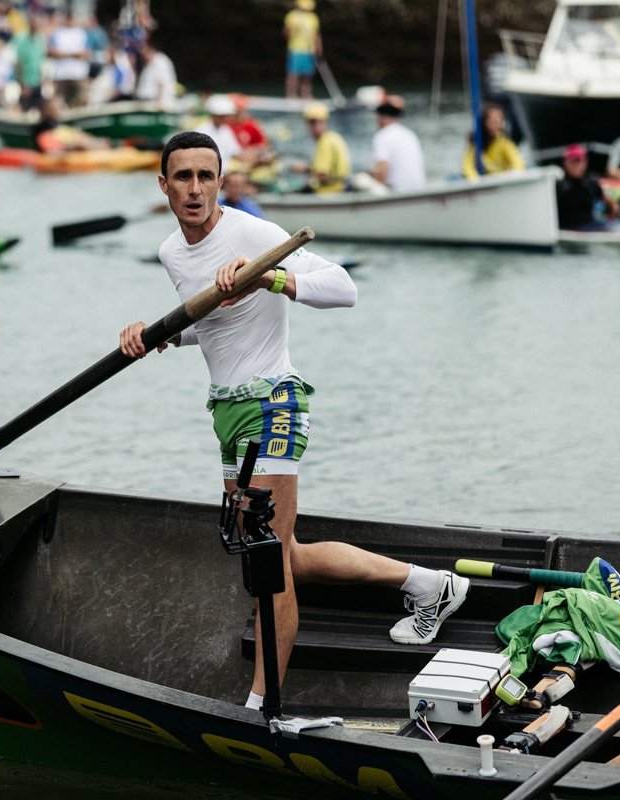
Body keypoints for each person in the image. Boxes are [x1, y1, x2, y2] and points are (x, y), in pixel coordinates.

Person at [118, 131, 469, 713]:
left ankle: (260, 707)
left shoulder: (254, 235)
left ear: (221, 182)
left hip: (274, 402)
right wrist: (159, 335)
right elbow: (212, 325)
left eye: (206, 176)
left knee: (268, 561)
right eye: (183, 177)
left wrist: (270, 278)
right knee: (281, 553)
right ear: (164, 185)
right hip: (226, 411)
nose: (195, 189)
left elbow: (343, 288)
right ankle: (429, 584)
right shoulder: (171, 253)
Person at [556, 144, 620, 230]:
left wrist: (614, 209)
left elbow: (609, 202)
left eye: (579, 162)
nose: (577, 166)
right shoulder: (558, 185)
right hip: (566, 227)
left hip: (589, 226)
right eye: (573, 162)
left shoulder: (591, 182)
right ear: (565, 163)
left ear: (585, 163)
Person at [369, 96, 425, 192]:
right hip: (418, 189)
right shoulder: (410, 134)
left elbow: (382, 171)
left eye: (377, 117)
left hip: (397, 191)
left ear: (382, 117)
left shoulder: (382, 136)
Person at [293, 102, 351, 193]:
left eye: (319, 122)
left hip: (330, 192)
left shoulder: (324, 142)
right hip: (341, 189)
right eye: (312, 122)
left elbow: (322, 175)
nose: (316, 126)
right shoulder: (336, 137)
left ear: (326, 122)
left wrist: (304, 170)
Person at [461, 103, 524, 180]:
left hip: (502, 180)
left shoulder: (505, 142)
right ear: (483, 122)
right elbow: (467, 167)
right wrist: (475, 180)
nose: (495, 126)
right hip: (483, 182)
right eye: (491, 122)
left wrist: (517, 174)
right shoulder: (476, 143)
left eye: (498, 122)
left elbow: (517, 162)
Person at [48, 11, 91, 108]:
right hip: (61, 74)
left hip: (78, 74)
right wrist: (74, 54)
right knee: (58, 102)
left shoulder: (82, 33)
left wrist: (64, 54)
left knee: (83, 100)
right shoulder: (57, 32)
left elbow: (84, 53)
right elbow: (53, 52)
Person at [284, 0, 321, 100]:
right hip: (295, 49)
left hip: (309, 50)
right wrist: (292, 30)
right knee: (293, 74)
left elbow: (316, 34)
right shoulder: (292, 16)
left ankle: (306, 95)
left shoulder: (313, 18)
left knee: (308, 75)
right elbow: (286, 32)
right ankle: (291, 96)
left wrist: (318, 47)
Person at [194, 94, 243, 166]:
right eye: (221, 116)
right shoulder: (201, 131)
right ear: (213, 115)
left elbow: (236, 152)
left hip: (225, 169)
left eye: (224, 116)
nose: (224, 118)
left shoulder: (226, 130)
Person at [13, 13, 48, 112]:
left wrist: (45, 79)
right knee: (24, 109)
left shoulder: (40, 39)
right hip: (27, 83)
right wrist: (22, 84)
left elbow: (43, 62)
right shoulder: (22, 41)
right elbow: (19, 64)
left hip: (38, 81)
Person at [135, 39, 177, 110]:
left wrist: (159, 102)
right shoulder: (147, 63)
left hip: (158, 105)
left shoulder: (160, 62)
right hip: (146, 103)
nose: (142, 56)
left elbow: (161, 83)